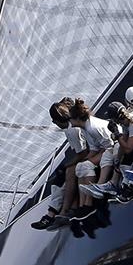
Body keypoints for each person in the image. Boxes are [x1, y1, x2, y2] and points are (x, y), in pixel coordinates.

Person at [31, 97, 88, 229]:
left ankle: (55, 214)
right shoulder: (70, 128)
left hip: (90, 156)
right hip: (87, 155)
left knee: (65, 172)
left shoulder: (73, 130)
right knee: (60, 175)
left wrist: (68, 165)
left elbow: (83, 153)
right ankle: (53, 214)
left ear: (56, 120)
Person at [68, 98, 116, 211]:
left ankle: (88, 204)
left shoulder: (93, 127)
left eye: (71, 118)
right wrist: (83, 161)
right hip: (104, 150)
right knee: (79, 167)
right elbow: (94, 148)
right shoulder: (84, 127)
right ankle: (82, 205)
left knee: (85, 166)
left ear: (78, 118)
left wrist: (88, 162)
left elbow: (110, 146)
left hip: (112, 149)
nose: (69, 121)